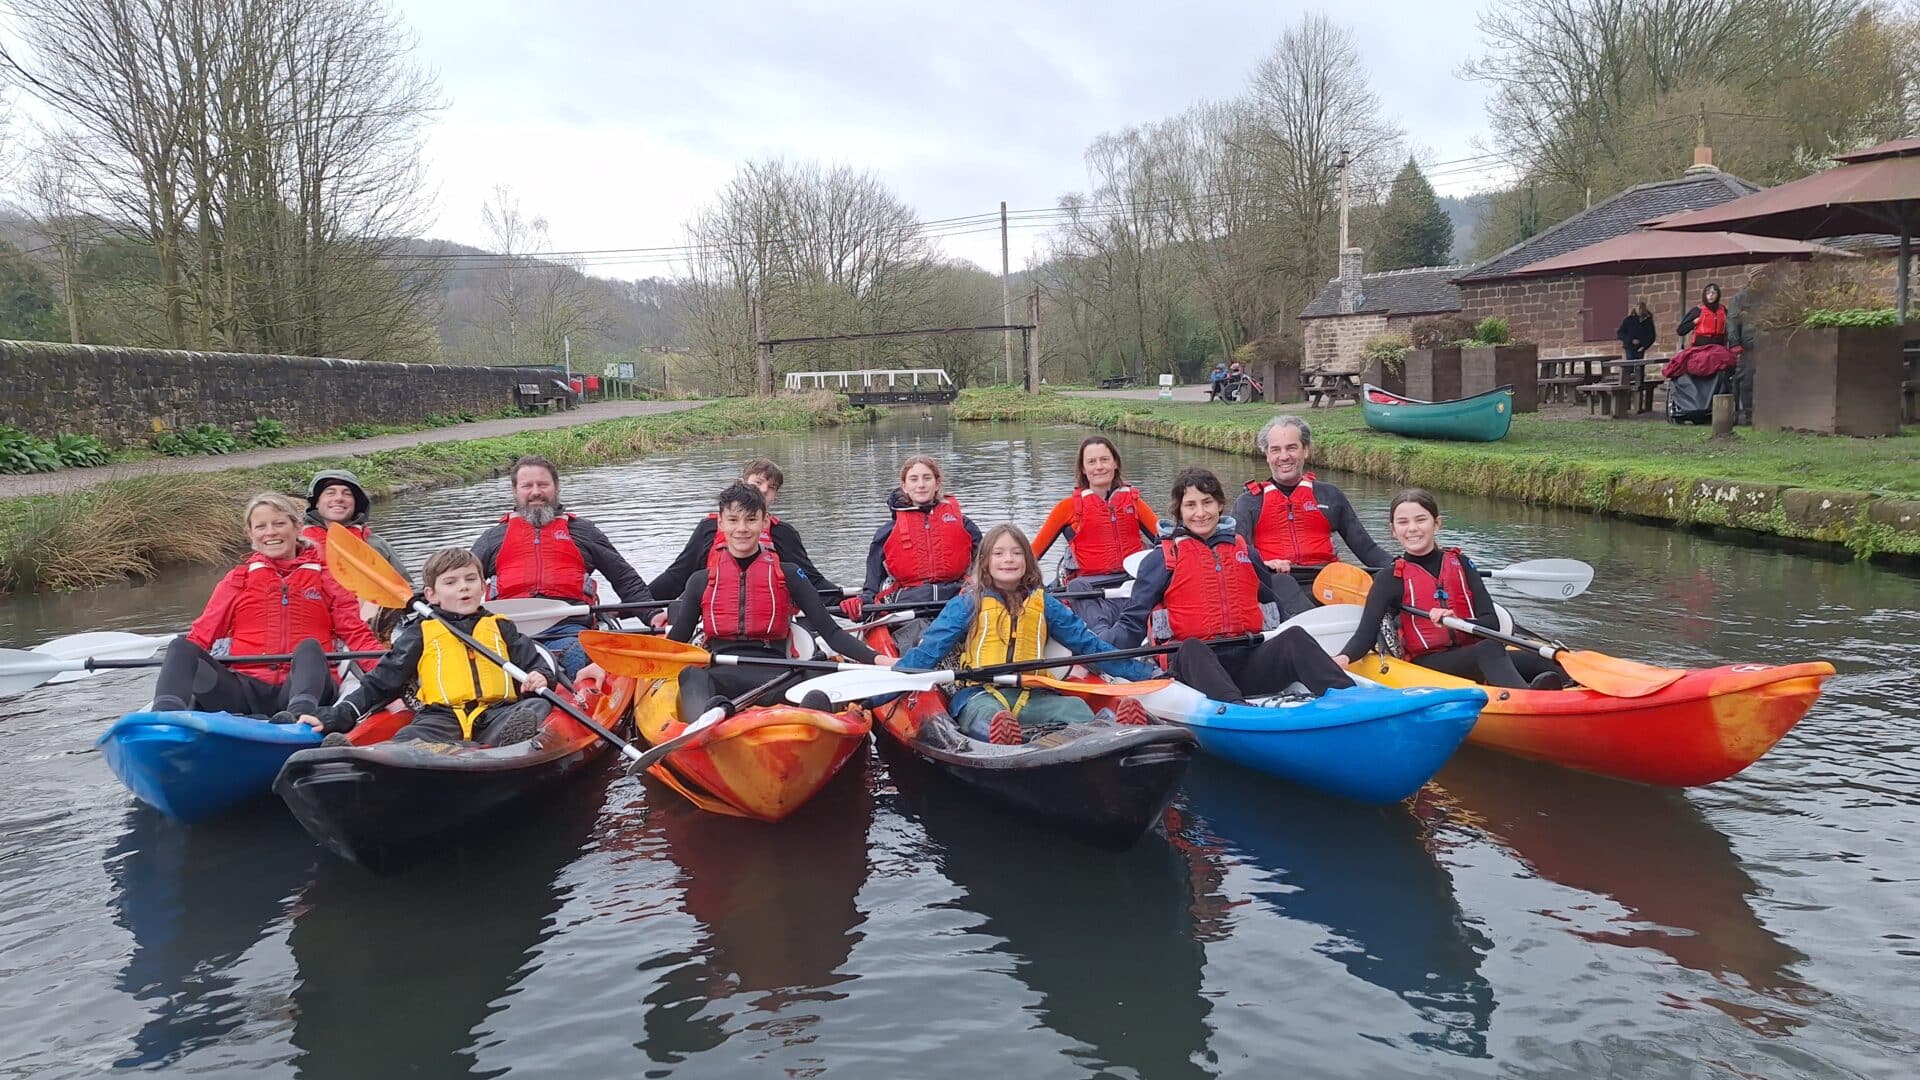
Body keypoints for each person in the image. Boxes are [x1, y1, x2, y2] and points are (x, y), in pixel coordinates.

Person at [893, 524, 1157, 745]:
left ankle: (1116, 724)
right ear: (985, 563)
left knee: (1075, 708)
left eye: (1016, 553)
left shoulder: (1044, 603)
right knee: (985, 716)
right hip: (981, 693)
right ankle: (1002, 738)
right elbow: (928, 653)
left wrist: (1147, 673)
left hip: (1033, 694)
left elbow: (1089, 646)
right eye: (999, 553)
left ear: (1027, 562)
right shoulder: (966, 604)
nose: (1008, 559)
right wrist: (881, 693)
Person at [1111, 468, 1352, 703]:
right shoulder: (1162, 558)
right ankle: (1237, 709)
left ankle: (1355, 699)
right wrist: (1098, 655)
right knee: (1192, 648)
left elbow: (1274, 608)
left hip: (1246, 659)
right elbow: (1132, 622)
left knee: (1295, 637)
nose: (1201, 513)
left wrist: (1316, 656)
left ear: (1219, 505)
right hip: (1195, 668)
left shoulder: (1246, 552)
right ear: (1179, 511)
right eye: (1191, 505)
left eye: (1207, 502)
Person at [667, 483, 888, 723]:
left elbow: (831, 633)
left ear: (764, 522)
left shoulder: (790, 574)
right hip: (720, 676)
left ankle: (812, 722)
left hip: (780, 674)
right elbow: (676, 642)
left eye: (751, 520)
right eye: (733, 520)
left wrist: (880, 660)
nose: (741, 529)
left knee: (818, 670)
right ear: (720, 523)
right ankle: (706, 725)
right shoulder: (700, 581)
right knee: (691, 675)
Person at [150, 493, 383, 719]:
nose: (270, 532)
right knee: (181, 647)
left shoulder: (326, 579)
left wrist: (389, 673)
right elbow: (201, 636)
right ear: (250, 533)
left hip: (306, 688)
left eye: (279, 523)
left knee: (310, 648)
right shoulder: (237, 579)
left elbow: (356, 635)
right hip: (242, 690)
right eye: (261, 526)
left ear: (297, 527)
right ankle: (162, 718)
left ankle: (298, 716)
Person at [297, 547, 556, 746]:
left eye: (470, 579)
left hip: (499, 712)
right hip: (441, 718)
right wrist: (335, 717)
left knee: (534, 707)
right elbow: (380, 682)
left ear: (483, 588)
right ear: (431, 594)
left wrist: (540, 676)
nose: (463, 586)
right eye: (451, 582)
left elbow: (534, 664)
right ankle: (358, 756)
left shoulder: (501, 626)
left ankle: (511, 744)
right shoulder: (420, 632)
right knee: (410, 736)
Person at [1330, 488, 1565, 690]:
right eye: (1403, 522)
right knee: (1489, 649)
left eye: (1420, 519)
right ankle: (1530, 699)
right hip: (1430, 662)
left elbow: (1490, 622)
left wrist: (1458, 620)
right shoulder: (1390, 578)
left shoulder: (1461, 563)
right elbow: (1365, 635)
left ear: (1437, 523)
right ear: (1393, 530)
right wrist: (1342, 658)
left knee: (1546, 660)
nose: (1412, 528)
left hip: (1475, 653)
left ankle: (1572, 689)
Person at [471, 455, 653, 678]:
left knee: (576, 654)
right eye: (527, 486)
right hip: (507, 633)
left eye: (543, 484)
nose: (535, 492)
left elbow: (625, 579)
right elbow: (460, 582)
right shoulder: (493, 538)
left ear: (556, 487)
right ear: (515, 491)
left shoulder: (584, 532)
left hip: (568, 629)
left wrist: (653, 615)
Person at [647, 458, 842, 605]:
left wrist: (845, 601)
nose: (764, 490)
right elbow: (676, 577)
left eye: (772, 487)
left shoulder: (783, 534)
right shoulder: (708, 529)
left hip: (770, 626)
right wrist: (637, 606)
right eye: (758, 482)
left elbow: (812, 581)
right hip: (714, 621)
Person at [1232, 415, 1391, 593]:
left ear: (1305, 450)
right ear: (1267, 455)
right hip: (1277, 583)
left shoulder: (1330, 496)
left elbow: (1368, 550)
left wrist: (1401, 567)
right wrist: (1264, 564)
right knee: (1283, 585)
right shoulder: (1249, 502)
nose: (1284, 456)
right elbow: (1236, 555)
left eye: (1292, 448)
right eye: (1276, 450)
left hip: (1329, 583)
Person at [842, 455, 983, 647]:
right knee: (921, 633)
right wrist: (863, 602)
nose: (921, 485)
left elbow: (986, 564)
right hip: (908, 605)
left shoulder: (964, 524)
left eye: (927, 478)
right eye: (914, 479)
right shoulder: (887, 532)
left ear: (937, 483)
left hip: (956, 600)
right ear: (904, 486)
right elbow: (872, 581)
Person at [1030, 435, 1160, 636]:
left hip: (1131, 585)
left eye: (1104, 459)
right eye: (1092, 462)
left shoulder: (1134, 503)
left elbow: (1168, 544)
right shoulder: (1067, 508)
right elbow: (1032, 555)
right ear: (1083, 469)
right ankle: (1104, 640)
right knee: (1076, 587)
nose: (1099, 467)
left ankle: (1116, 639)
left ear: (1115, 463)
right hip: (1089, 591)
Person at [1676, 282, 1728, 347]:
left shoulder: (1723, 310)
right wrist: (1693, 322)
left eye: (1714, 293)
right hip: (1701, 347)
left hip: (1719, 346)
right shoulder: (1698, 310)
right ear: (1704, 295)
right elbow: (1680, 331)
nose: (1711, 295)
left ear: (1718, 295)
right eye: (1708, 293)